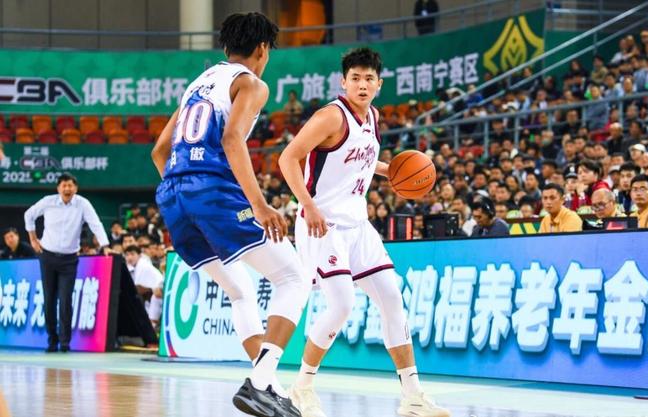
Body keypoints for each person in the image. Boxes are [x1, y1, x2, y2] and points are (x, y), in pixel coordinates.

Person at [149, 13, 306, 417]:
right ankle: (261, 382)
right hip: (212, 192)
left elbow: (159, 151)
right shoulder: (250, 83)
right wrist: (259, 204)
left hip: (173, 195)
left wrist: (184, 194)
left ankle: (267, 386)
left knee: (240, 291)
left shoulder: (197, 85)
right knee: (294, 277)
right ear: (263, 49)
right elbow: (232, 138)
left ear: (225, 47)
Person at [279, 47, 450, 417]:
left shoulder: (372, 116)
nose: (361, 84)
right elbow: (287, 157)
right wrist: (307, 205)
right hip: (322, 223)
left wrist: (395, 172)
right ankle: (301, 387)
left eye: (368, 78)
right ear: (343, 82)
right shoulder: (330, 116)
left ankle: (413, 395)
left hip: (358, 225)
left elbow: (361, 158)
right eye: (355, 78)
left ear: (379, 84)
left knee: (392, 299)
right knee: (342, 305)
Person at [24, 173, 111, 353]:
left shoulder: (83, 204)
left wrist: (105, 245)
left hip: (69, 259)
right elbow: (29, 215)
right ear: (58, 188)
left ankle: (65, 342)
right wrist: (33, 239)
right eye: (63, 186)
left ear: (76, 188)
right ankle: (52, 340)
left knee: (65, 299)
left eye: (70, 185)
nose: (67, 189)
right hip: (47, 256)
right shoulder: (48, 202)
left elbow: (95, 223)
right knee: (49, 299)